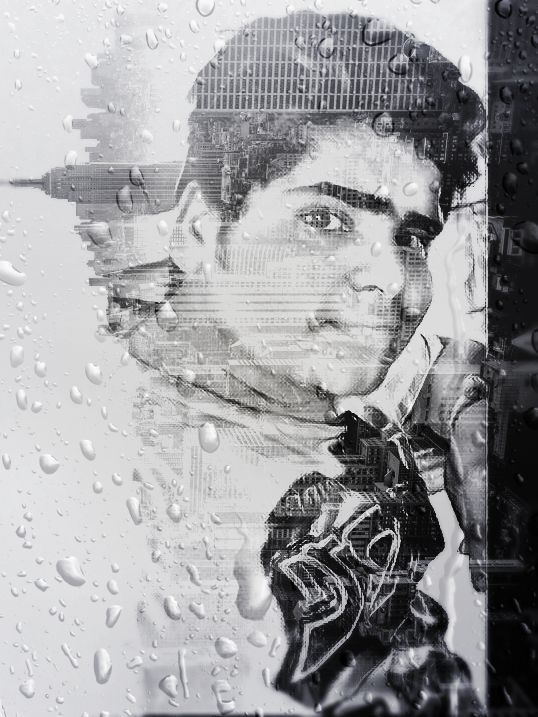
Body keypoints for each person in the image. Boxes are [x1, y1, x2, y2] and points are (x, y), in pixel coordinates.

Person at [100, 11, 486, 715]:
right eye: (325, 220)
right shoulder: (136, 489)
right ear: (198, 226)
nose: (391, 281)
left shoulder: (266, 387)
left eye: (412, 238)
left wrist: (453, 402)